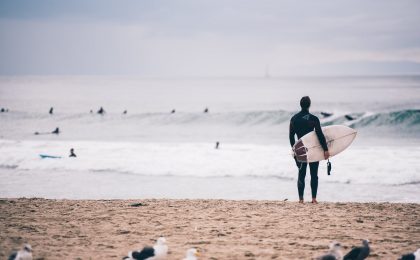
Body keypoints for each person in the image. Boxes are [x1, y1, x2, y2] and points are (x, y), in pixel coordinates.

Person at [289, 96, 329, 204]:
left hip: (301, 149)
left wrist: (295, 150)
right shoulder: (314, 119)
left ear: (300, 104)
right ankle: (314, 199)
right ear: (309, 105)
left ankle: (301, 199)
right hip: (313, 150)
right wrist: (325, 149)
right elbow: (320, 135)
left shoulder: (294, 119)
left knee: (301, 174)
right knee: (314, 174)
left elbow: (291, 137)